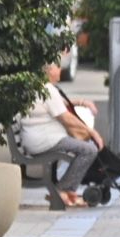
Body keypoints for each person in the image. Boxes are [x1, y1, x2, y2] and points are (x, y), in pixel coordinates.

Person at [17, 62, 105, 209]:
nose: (60, 70)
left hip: (37, 139)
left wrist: (83, 102)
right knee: (89, 150)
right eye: (57, 67)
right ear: (49, 71)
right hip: (45, 141)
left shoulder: (40, 88)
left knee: (84, 147)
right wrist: (92, 133)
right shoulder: (48, 90)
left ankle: (66, 191)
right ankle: (62, 191)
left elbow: (61, 104)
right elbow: (66, 118)